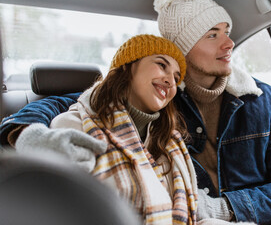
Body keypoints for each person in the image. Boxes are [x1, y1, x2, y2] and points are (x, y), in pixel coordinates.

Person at [0, 0, 271, 225]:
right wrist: (26, 134)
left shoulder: (267, 101)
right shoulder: (158, 100)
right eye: (213, 35)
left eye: (226, 31)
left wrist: (219, 207)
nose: (229, 44)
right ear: (183, 48)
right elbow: (80, 103)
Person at [13, 34, 198, 224]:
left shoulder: (171, 144)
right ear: (127, 65)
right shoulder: (75, 126)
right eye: (161, 65)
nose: (170, 81)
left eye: (177, 78)